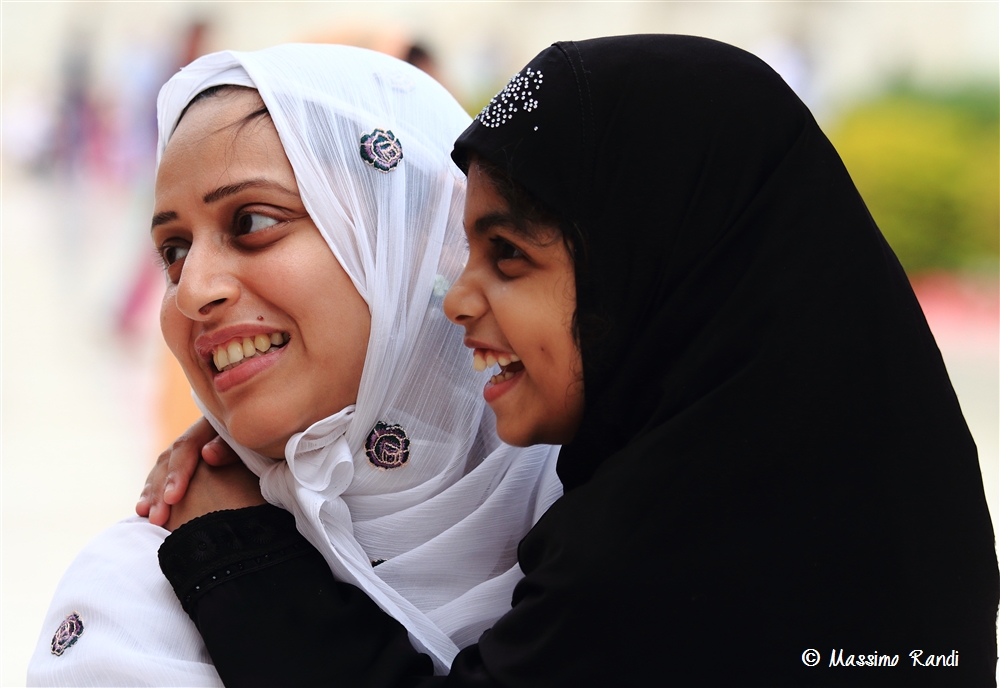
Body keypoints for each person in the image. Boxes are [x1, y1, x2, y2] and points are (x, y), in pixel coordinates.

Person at [149, 35, 1000, 686]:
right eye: (173, 250)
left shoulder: (672, 557)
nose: (455, 298)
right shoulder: (860, 474)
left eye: (508, 255)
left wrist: (235, 551)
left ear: (651, 262)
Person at [27, 44, 561, 686]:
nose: (192, 290)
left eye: (250, 221)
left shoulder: (608, 510)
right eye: (173, 251)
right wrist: (226, 558)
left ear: (407, 243)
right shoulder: (141, 596)